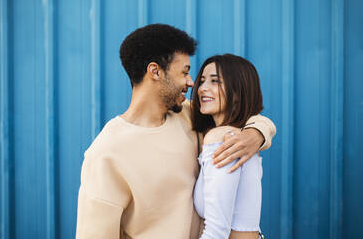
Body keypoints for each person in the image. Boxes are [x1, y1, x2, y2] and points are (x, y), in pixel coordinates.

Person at [76, 24, 276, 239]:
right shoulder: (106, 154)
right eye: (185, 72)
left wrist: (256, 133)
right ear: (155, 71)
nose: (192, 83)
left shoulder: (189, 116)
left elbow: (244, 114)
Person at [192, 54, 267, 239]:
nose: (202, 88)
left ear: (237, 92)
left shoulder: (223, 138)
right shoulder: (240, 136)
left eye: (215, 81)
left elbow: (216, 233)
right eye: (202, 81)